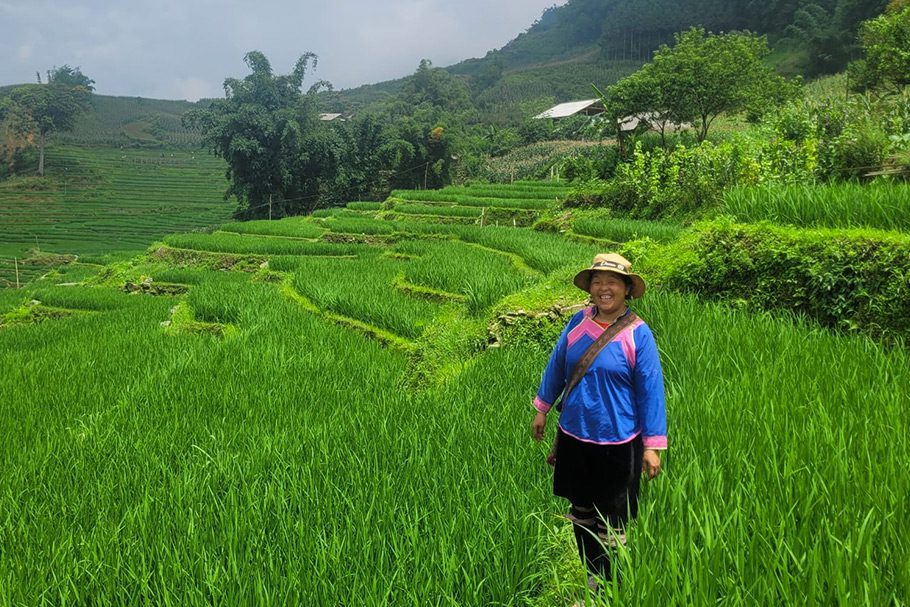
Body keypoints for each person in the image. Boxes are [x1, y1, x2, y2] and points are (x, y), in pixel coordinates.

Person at [530, 253, 667, 593]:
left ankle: (611, 588)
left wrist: (652, 445)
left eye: (613, 282)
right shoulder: (577, 323)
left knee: (613, 521)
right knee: (581, 513)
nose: (604, 288)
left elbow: (651, 390)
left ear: (626, 289)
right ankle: (593, 580)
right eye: (597, 281)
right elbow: (558, 365)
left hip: (618, 443)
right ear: (590, 287)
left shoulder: (638, 334)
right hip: (575, 437)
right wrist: (543, 408)